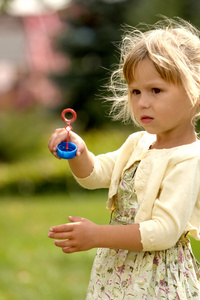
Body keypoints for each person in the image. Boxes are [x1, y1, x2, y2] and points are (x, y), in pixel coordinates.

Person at [48, 17, 200, 299]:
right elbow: (94, 175)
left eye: (156, 90)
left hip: (156, 279)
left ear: (195, 91)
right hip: (119, 270)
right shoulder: (139, 143)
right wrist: (79, 152)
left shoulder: (188, 158)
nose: (142, 102)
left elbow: (165, 231)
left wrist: (97, 236)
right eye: (135, 91)